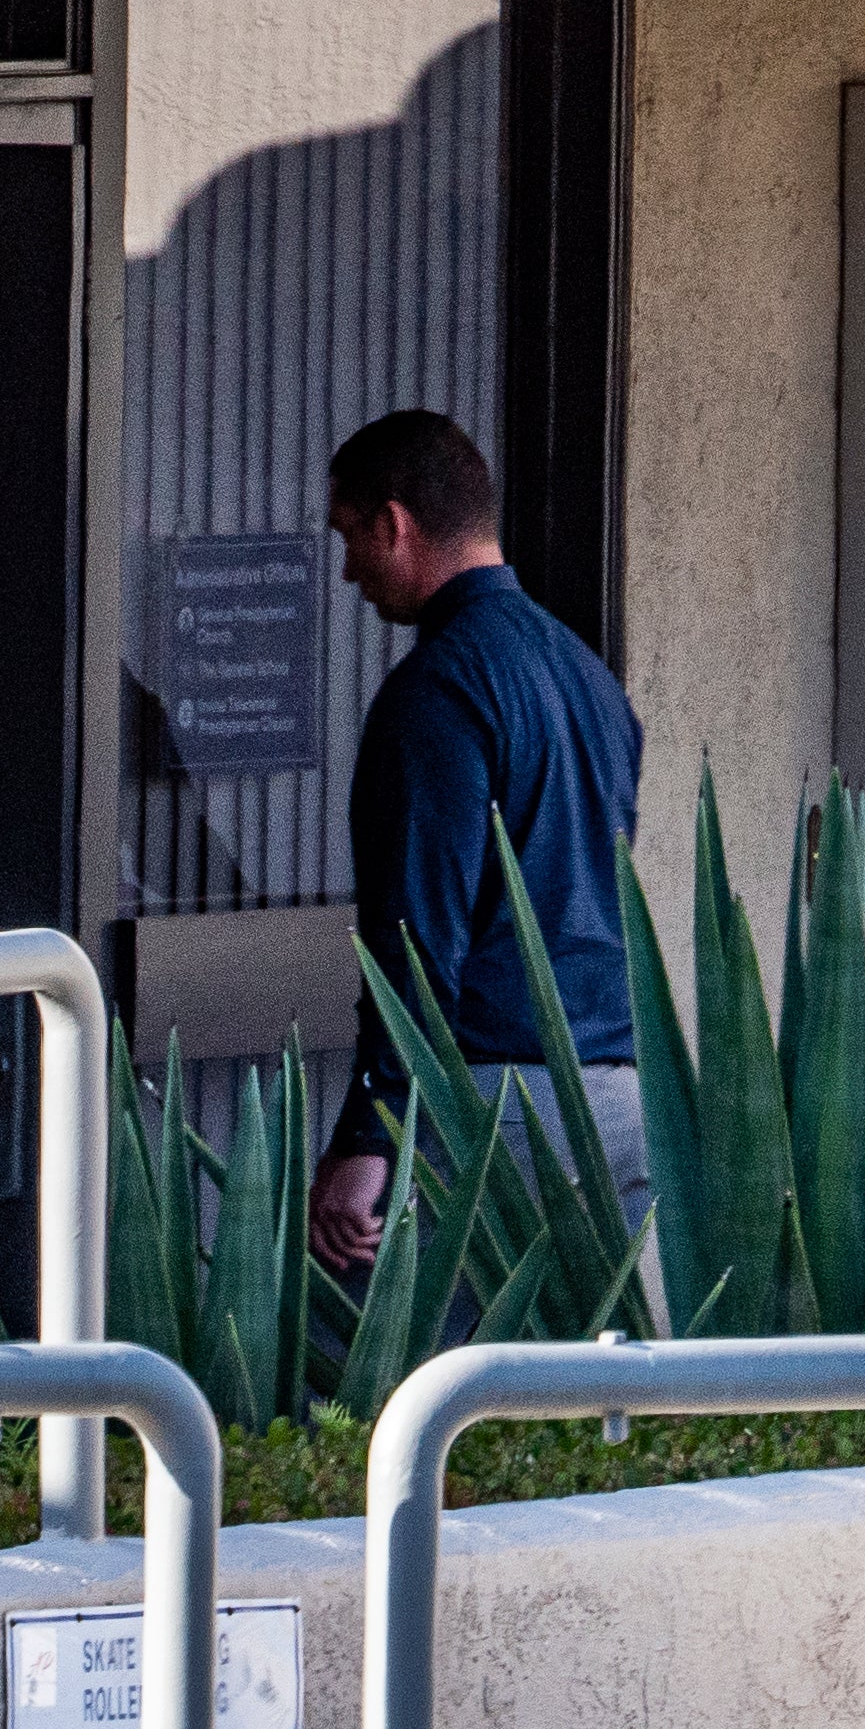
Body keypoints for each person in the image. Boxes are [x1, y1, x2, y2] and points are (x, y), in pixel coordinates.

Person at [306, 411, 652, 1280]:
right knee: (568, 1402)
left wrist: (368, 1137)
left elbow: (418, 937)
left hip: (490, 1109)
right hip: (619, 1097)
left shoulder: (438, 692)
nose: (347, 570)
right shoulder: (588, 677)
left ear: (395, 524)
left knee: (387, 1397)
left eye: (350, 537)